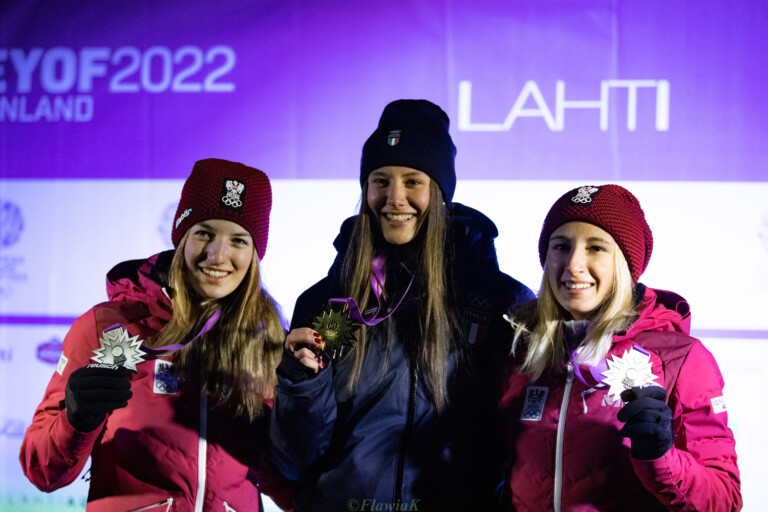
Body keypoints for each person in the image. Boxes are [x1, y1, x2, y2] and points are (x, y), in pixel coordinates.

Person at [270, 99, 534, 511]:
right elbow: (294, 462)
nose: (395, 198)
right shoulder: (326, 301)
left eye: (413, 181)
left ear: (441, 192)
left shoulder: (501, 302)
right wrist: (299, 387)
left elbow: (524, 447)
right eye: (380, 181)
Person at [20, 159, 292, 512]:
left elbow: (281, 477)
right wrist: (76, 421)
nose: (218, 255)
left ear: (254, 255)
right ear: (182, 238)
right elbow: (43, 471)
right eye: (204, 233)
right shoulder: (111, 328)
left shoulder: (265, 340)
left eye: (238, 240)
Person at [500, 184, 741, 511]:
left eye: (596, 248)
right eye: (561, 246)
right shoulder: (523, 352)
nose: (573, 265)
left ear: (627, 265)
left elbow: (725, 500)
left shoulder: (681, 359)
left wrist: (662, 456)